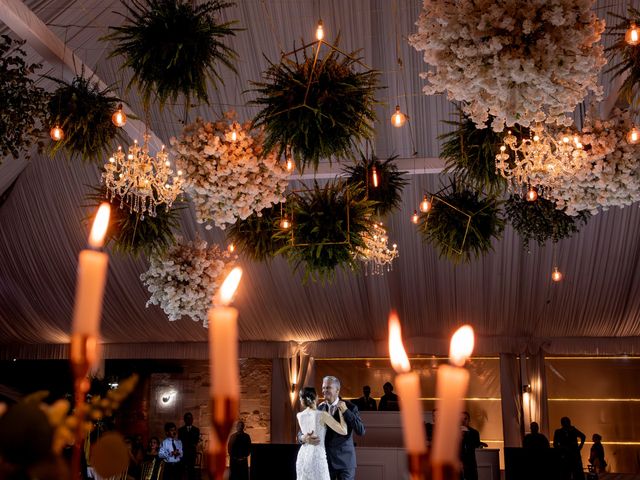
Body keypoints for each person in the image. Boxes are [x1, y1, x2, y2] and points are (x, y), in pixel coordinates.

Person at [300, 376, 366, 480]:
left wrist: (346, 412)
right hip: (325, 463)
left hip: (345, 463)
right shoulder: (319, 408)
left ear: (337, 390)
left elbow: (361, 431)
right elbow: (302, 431)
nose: (324, 391)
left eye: (328, 388)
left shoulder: (351, 407)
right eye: (323, 388)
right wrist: (303, 438)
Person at [296, 387, 348, 480]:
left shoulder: (299, 415)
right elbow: (344, 431)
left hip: (303, 456)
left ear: (302, 400)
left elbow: (302, 433)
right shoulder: (322, 415)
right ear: (316, 397)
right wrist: (341, 411)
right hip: (317, 456)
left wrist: (303, 437)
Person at [460, 411, 482, 480]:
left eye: (465, 419)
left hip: (471, 464)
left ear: (469, 420)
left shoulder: (474, 432)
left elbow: (476, 444)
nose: (463, 421)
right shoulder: (454, 432)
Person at [178, 412, 200, 480]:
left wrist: (189, 443)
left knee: (191, 470)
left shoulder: (196, 430)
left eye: (190, 418)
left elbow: (195, 441)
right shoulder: (180, 430)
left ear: (192, 419)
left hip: (191, 453)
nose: (189, 420)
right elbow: (180, 441)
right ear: (185, 420)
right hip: (183, 453)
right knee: (182, 470)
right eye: (187, 418)